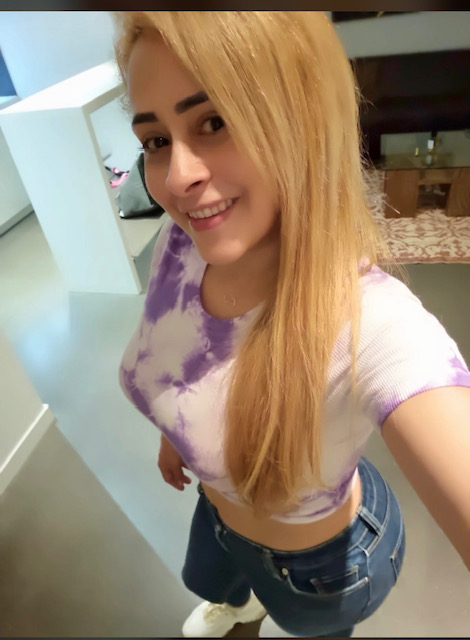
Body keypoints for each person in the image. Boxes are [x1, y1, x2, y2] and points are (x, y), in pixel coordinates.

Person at [114, 11, 470, 638]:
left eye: (215, 122)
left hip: (319, 567)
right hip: (216, 513)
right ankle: (238, 605)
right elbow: (169, 356)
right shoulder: (183, 241)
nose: (177, 177)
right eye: (156, 140)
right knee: (215, 579)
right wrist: (178, 433)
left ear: (300, 120)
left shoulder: (370, 322)